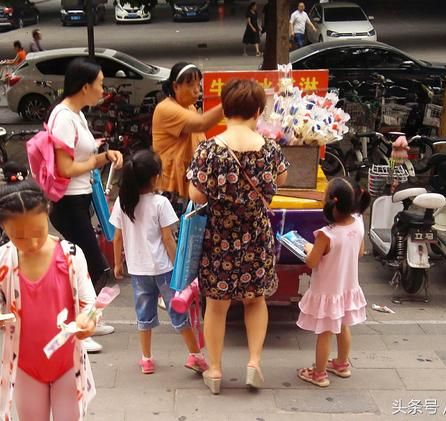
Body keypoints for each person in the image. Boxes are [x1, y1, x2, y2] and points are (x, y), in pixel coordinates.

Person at [187, 79, 289, 394]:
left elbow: (196, 195)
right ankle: (254, 362)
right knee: (255, 300)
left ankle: (215, 371)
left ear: (225, 110)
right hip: (257, 236)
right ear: (257, 111)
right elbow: (282, 178)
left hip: (220, 237)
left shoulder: (209, 149)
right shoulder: (270, 149)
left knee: (216, 306)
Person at [0, 162, 97, 421]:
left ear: (48, 213)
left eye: (38, 233)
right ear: (2, 226)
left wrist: (88, 321)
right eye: (18, 236)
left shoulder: (71, 256)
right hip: (26, 368)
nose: (30, 243)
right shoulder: (0, 262)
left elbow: (90, 306)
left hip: (67, 364)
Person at [47, 58, 124, 352]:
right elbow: (65, 168)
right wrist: (99, 160)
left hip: (80, 198)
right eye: (100, 84)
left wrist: (103, 156)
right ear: (85, 87)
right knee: (91, 266)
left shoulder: (76, 114)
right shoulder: (64, 117)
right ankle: (78, 329)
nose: (103, 89)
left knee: (87, 267)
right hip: (67, 202)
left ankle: (91, 319)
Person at [110, 149, 208, 375]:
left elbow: (116, 237)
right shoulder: (160, 203)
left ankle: (146, 359)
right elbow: (168, 239)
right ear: (154, 177)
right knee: (178, 312)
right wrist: (179, 269)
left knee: (143, 315)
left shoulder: (123, 203)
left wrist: (117, 264)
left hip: (137, 270)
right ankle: (195, 355)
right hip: (164, 269)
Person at [296, 178, 370, 387]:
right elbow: (361, 251)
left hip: (327, 291)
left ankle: (318, 374)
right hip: (347, 288)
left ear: (331, 203)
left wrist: (308, 248)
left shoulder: (326, 235)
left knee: (325, 333)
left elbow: (311, 262)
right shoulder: (358, 222)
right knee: (343, 325)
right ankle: (341, 363)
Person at [152, 62, 224, 212]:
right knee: (173, 233)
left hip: (188, 184)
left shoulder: (189, 107)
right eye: (191, 85)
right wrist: (229, 102)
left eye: (198, 85)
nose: (196, 90)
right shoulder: (166, 108)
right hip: (170, 187)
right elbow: (202, 124)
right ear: (175, 86)